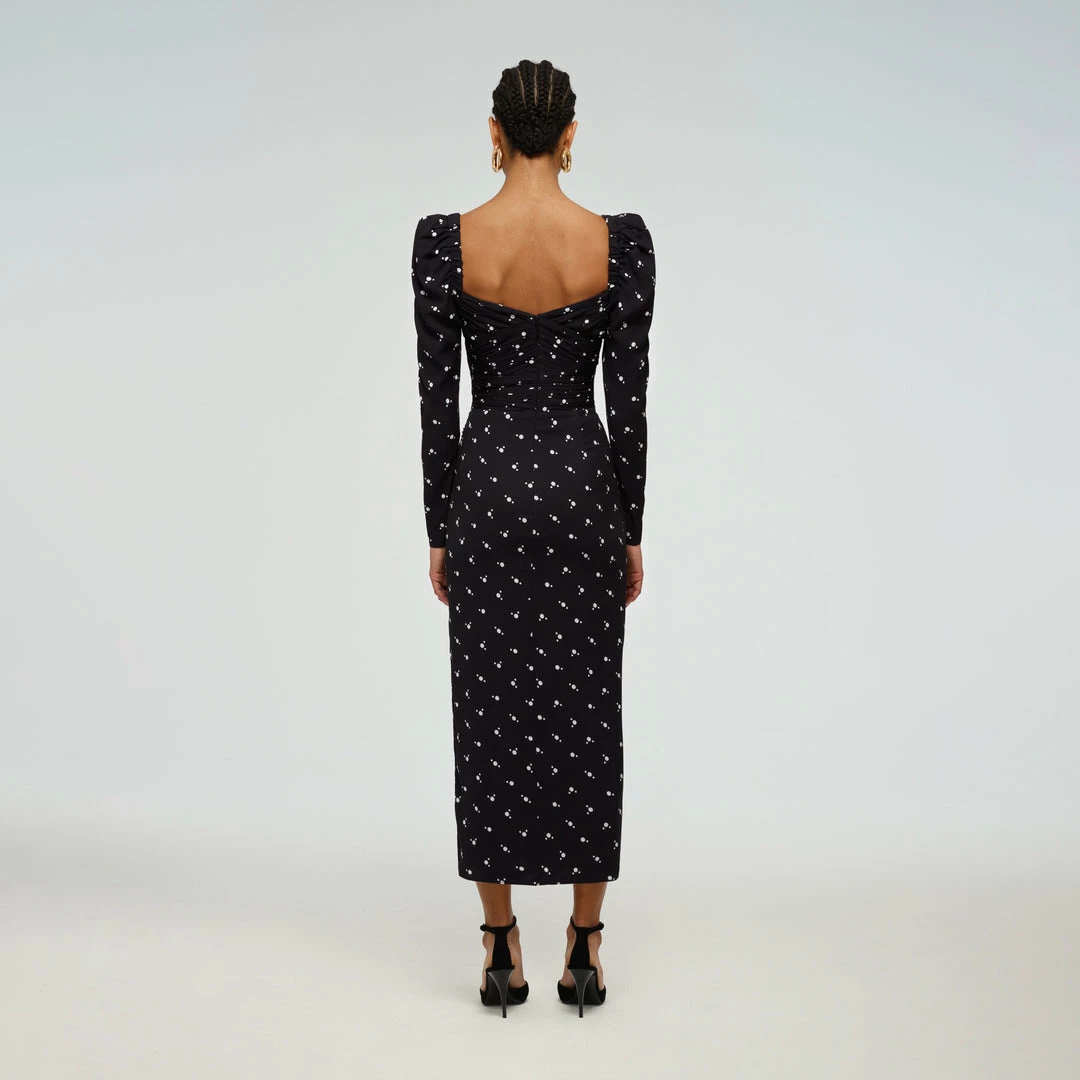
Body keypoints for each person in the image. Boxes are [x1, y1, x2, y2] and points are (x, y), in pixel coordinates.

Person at [411, 58, 655, 1018]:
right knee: (589, 711)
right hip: (583, 492)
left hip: (489, 494)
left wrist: (440, 528)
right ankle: (585, 946)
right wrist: (629, 528)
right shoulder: (618, 244)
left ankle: (499, 944)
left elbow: (439, 403)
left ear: (494, 132)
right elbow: (628, 407)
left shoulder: (447, 243)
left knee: (491, 713)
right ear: (571, 136)